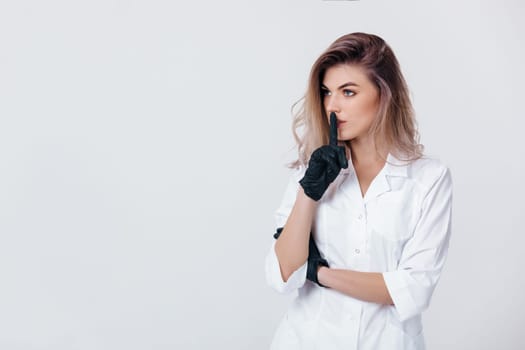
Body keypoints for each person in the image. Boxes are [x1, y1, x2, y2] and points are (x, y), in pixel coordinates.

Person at [264, 32, 453, 350]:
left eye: (348, 92)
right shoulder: (312, 170)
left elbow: (413, 290)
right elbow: (282, 274)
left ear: (384, 94)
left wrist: (320, 273)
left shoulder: (428, 178)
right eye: (326, 92)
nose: (332, 106)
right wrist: (309, 193)